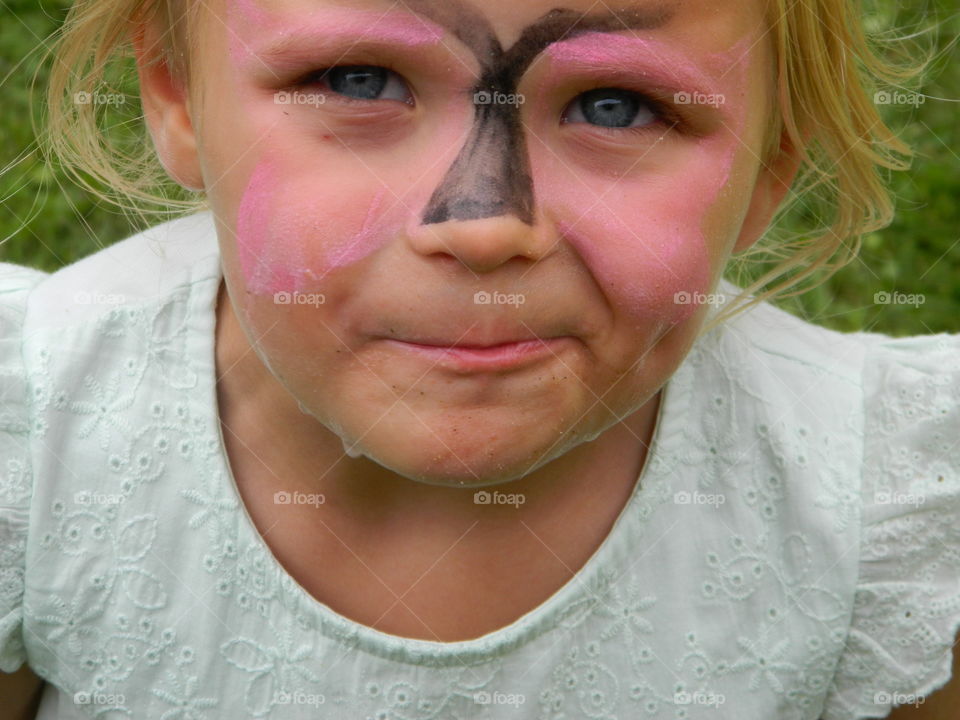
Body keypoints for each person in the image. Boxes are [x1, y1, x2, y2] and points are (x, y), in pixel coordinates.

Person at [1, 0, 957, 717]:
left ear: (771, 159)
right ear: (174, 93)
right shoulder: (37, 433)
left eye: (616, 105)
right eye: (358, 81)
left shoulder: (876, 511)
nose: (487, 224)